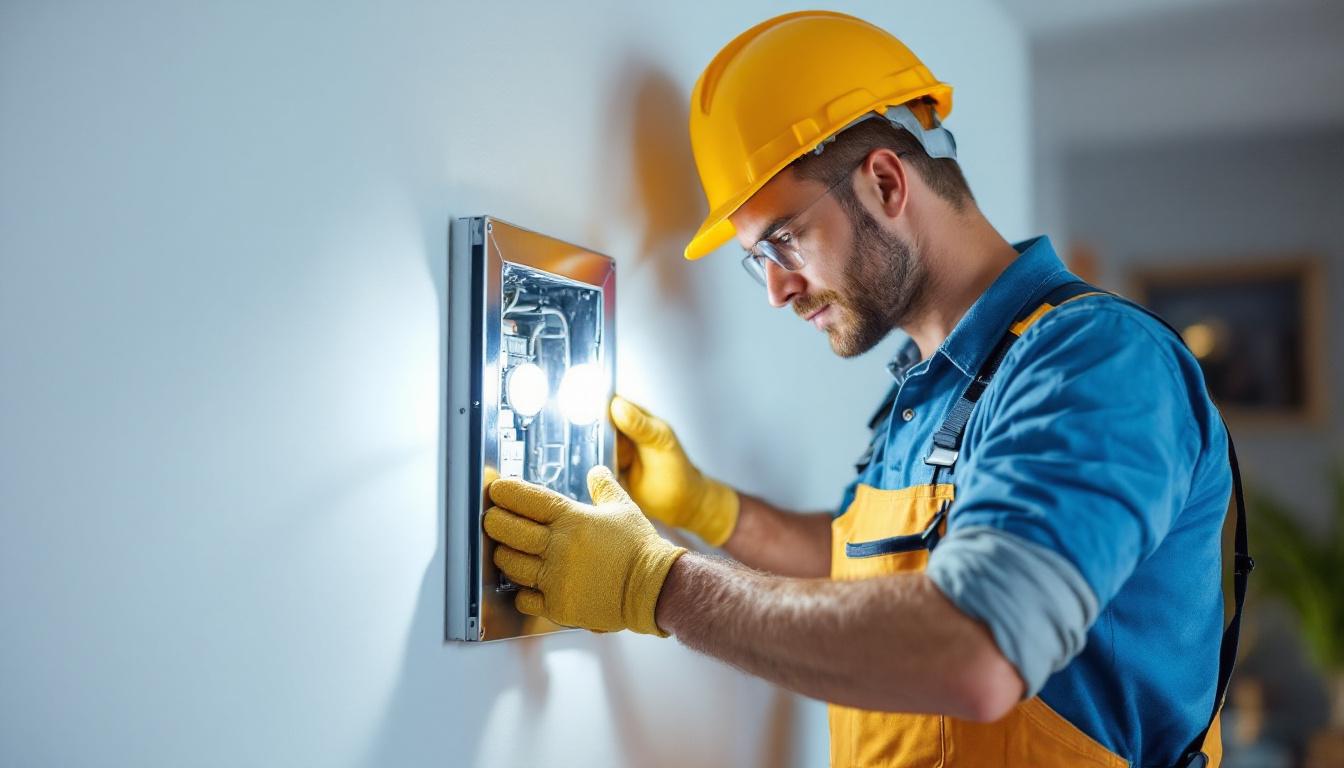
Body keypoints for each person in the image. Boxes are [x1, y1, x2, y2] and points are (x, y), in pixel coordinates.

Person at [483, 11, 1250, 767]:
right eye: (759, 261)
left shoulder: (1092, 362)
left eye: (784, 241)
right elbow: (863, 565)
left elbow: (976, 649)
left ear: (885, 181)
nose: (777, 291)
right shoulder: (928, 387)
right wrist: (709, 508)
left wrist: (656, 585)